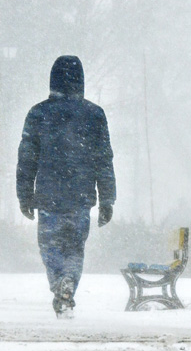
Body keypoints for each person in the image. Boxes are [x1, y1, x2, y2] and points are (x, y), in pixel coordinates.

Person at [16, 55, 116, 318]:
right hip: (80, 196)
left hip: (49, 195)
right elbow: (104, 159)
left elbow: (27, 159)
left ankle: (59, 282)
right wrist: (107, 199)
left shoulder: (38, 113)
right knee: (75, 246)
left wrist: (24, 194)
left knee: (49, 245)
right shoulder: (94, 115)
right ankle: (69, 279)